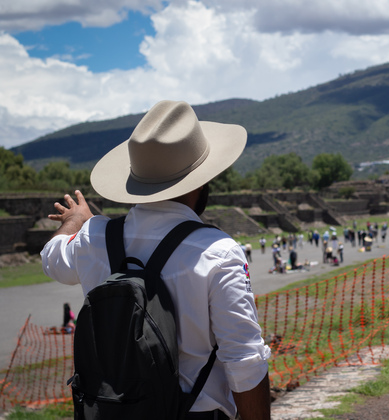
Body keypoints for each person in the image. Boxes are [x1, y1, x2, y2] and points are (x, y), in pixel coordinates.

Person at [40, 100, 271, 420]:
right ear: (201, 181)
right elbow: (245, 362)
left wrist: (75, 221)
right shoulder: (217, 251)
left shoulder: (94, 237)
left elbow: (52, 259)